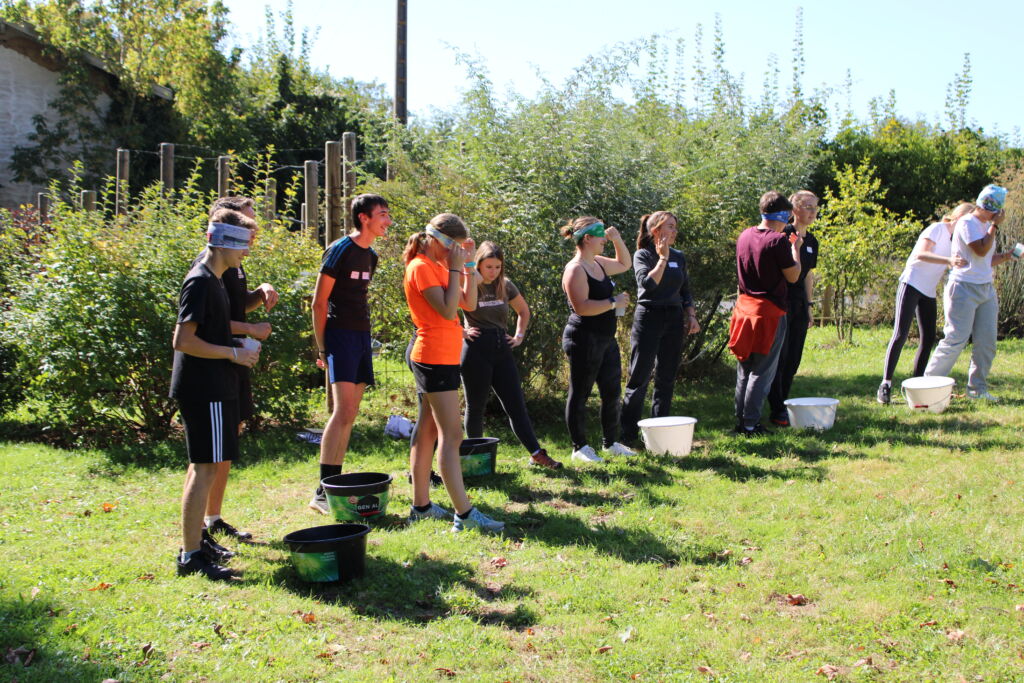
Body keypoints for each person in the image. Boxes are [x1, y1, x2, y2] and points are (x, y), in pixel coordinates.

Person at [404, 213, 504, 533]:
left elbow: (468, 304)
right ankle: (464, 514)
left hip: (443, 357)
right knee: (452, 435)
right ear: (437, 240)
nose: (455, 252)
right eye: (453, 246)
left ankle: (420, 506)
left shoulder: (441, 265)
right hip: (433, 358)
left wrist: (469, 268)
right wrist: (455, 268)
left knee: (428, 431)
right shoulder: (421, 266)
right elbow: (447, 310)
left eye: (460, 248)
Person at [171, 216, 259, 580]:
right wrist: (231, 354)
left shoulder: (219, 280)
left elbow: (211, 329)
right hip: (203, 388)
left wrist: (237, 343)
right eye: (242, 244)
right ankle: (190, 555)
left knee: (204, 466)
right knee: (204, 468)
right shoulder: (201, 281)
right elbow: (183, 340)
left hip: (214, 384)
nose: (246, 252)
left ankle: (196, 544)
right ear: (222, 242)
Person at [188, 197, 278, 546]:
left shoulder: (232, 265)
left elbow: (232, 306)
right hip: (215, 368)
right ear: (226, 232)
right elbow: (200, 328)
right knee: (206, 457)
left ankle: (211, 520)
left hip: (232, 361)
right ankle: (195, 539)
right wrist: (249, 332)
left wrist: (260, 293)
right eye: (247, 227)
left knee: (223, 444)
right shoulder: (206, 271)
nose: (252, 240)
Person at [308, 194, 391, 514]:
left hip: (360, 339)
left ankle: (330, 487)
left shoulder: (370, 256)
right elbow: (318, 303)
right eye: (382, 214)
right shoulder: (340, 249)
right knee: (342, 412)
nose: (388, 221)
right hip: (339, 338)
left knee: (350, 414)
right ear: (363, 218)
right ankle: (321, 492)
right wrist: (323, 347)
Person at [461, 241, 562, 469]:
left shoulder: (505, 285)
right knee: (475, 407)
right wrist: (460, 330)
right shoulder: (470, 280)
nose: (493, 272)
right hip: (476, 348)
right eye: (488, 267)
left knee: (516, 405)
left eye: (497, 267)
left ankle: (536, 454)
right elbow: (445, 308)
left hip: (501, 347)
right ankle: (476, 460)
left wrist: (519, 336)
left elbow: (524, 311)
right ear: (478, 264)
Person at [924, 185, 1018, 400]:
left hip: (986, 289)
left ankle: (977, 390)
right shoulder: (968, 223)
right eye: (997, 210)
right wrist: (994, 226)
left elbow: (984, 259)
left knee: (986, 343)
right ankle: (929, 388)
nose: (999, 214)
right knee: (956, 338)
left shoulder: (985, 224)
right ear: (989, 206)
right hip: (963, 288)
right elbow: (980, 249)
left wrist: (1006, 255)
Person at [876, 203, 973, 403]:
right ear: (958, 217)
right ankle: (885, 384)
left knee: (928, 337)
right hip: (911, 283)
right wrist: (948, 260)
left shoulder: (957, 239)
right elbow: (921, 254)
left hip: (928, 291)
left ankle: (917, 384)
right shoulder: (937, 228)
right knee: (900, 334)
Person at [619, 212, 699, 446]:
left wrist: (691, 315)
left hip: (674, 318)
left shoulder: (679, 257)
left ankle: (660, 433)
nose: (675, 232)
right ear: (656, 231)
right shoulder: (642, 255)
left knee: (666, 377)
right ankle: (627, 436)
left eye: (675, 227)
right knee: (639, 377)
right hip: (649, 317)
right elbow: (648, 285)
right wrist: (662, 259)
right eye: (670, 227)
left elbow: (685, 290)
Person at [560, 216, 635, 463]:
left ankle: (610, 442)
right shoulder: (575, 269)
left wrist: (617, 239)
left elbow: (625, 263)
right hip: (583, 338)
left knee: (612, 391)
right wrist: (613, 302)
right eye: (601, 234)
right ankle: (579, 447)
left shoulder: (598, 263)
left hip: (605, 338)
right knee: (580, 393)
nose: (604, 238)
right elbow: (581, 307)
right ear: (588, 238)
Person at [728, 191, 801, 436]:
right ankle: (751, 423)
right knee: (762, 370)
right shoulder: (778, 241)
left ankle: (741, 421)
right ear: (783, 215)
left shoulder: (744, 235)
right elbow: (793, 276)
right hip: (768, 312)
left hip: (744, 309)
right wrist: (795, 249)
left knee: (744, 368)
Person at [767, 190, 820, 425]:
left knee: (794, 359)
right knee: (781, 355)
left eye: (815, 207)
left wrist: (809, 305)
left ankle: (784, 403)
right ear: (794, 209)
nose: (812, 211)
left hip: (799, 303)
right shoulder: (785, 234)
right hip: (782, 301)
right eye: (807, 206)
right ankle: (777, 409)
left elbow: (807, 275)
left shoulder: (812, 241)